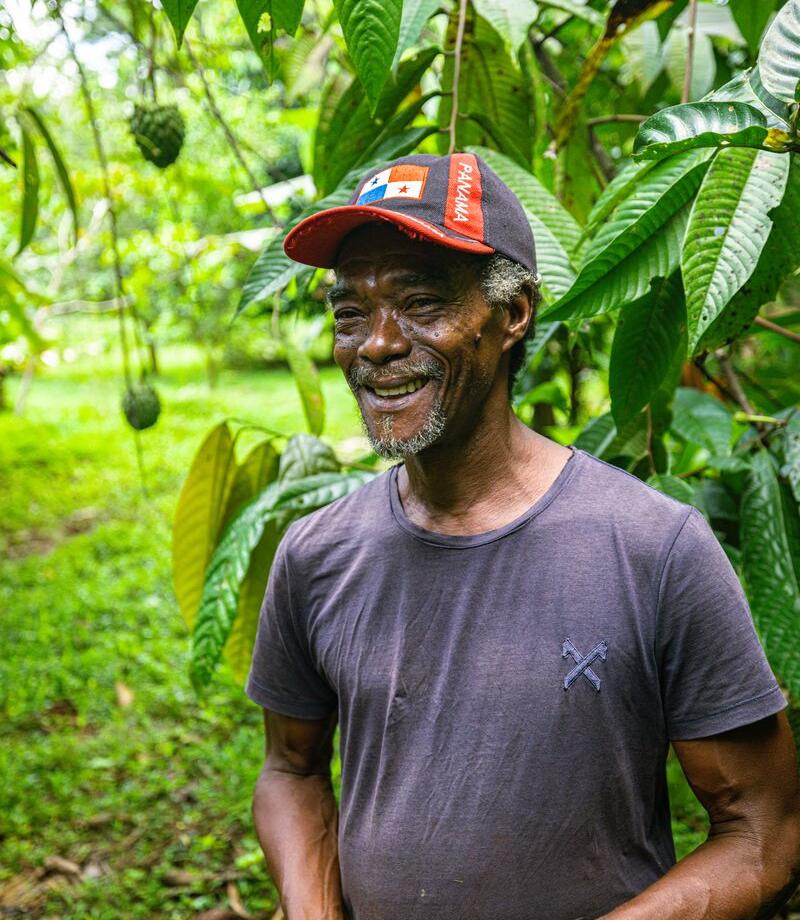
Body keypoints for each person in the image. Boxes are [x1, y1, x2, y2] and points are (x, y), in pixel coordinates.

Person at [245, 153, 800, 920]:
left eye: (421, 302)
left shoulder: (654, 549)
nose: (376, 344)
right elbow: (290, 769)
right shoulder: (315, 556)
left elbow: (765, 832)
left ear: (513, 315)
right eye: (350, 312)